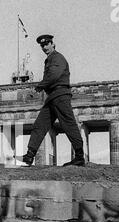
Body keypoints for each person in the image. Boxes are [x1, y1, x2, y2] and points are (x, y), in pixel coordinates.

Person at [17, 35, 85, 167]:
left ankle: (79, 157)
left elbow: (54, 75)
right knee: (39, 125)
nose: (44, 47)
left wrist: (39, 87)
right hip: (52, 97)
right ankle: (29, 156)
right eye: (42, 46)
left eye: (47, 44)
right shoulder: (49, 59)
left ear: (53, 44)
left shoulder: (57, 57)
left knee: (68, 124)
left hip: (60, 95)